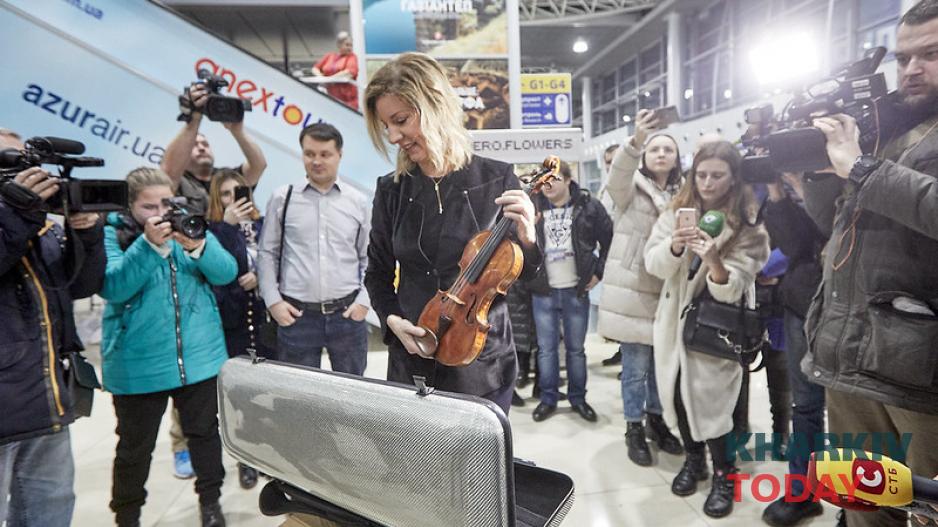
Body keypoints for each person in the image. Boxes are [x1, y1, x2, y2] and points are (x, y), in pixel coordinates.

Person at [803, 2, 938, 525]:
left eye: (930, 54)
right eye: (904, 57)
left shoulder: (876, 146)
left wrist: (861, 166)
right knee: (864, 510)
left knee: (925, 511)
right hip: (851, 357)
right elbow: (833, 226)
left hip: (920, 372)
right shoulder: (886, 128)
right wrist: (817, 171)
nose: (911, 69)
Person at [363, 52, 540, 414]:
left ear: (436, 105)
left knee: (475, 467)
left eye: (401, 120)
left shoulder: (498, 177)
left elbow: (528, 277)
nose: (394, 136)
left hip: (482, 361)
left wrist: (529, 239)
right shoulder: (391, 190)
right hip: (412, 359)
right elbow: (377, 274)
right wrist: (393, 321)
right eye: (387, 127)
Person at [100, 167, 237, 527]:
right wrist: (149, 246)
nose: (160, 213)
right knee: (134, 449)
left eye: (166, 202)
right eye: (148, 206)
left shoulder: (189, 226)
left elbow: (226, 273)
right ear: (130, 208)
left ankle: (211, 504)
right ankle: (127, 516)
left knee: (205, 435)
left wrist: (200, 247)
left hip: (200, 358)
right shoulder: (115, 233)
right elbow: (113, 287)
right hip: (138, 365)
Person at [644, 141, 769, 518]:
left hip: (717, 331)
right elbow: (654, 264)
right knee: (676, 395)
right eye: (701, 174)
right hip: (673, 323)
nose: (707, 183)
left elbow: (733, 289)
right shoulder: (675, 213)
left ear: (733, 179)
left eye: (717, 175)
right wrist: (676, 247)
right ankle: (693, 461)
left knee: (714, 406)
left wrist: (713, 258)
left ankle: (724, 474)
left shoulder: (748, 226)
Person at [0, 129, 105, 527]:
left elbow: (81, 285)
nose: (23, 174)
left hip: (46, 398)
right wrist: (15, 213)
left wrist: (87, 235)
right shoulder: (21, 218)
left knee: (50, 510)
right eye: (10, 164)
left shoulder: (39, 225)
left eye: (27, 164)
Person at [597, 110, 685, 466]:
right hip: (634, 288)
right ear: (645, 157)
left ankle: (657, 420)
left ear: (678, 158)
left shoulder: (686, 191)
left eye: (668, 149)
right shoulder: (630, 188)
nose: (662, 154)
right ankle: (634, 427)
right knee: (635, 368)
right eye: (655, 149)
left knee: (662, 367)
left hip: (669, 287)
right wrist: (635, 141)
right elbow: (617, 174)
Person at [257, 123, 371, 375]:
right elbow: (267, 254)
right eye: (309, 154)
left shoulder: (357, 201)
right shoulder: (282, 197)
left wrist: (364, 301)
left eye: (324, 154)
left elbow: (369, 258)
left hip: (347, 315)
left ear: (339, 155)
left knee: (352, 397)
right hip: (296, 316)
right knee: (299, 400)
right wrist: (273, 302)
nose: (316, 161)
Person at [760, 173, 827, 527]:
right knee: (806, 406)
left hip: (859, 302)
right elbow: (791, 244)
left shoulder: (857, 163)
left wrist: (807, 189)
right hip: (802, 303)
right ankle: (802, 491)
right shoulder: (790, 187)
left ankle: (859, 501)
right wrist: (778, 191)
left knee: (857, 409)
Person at [527, 161, 612, 423]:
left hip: (576, 289)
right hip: (543, 290)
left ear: (567, 179)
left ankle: (578, 399)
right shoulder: (533, 207)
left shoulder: (588, 205)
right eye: (544, 181)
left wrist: (599, 272)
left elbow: (609, 239)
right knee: (546, 350)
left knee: (576, 350)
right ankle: (548, 398)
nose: (548, 186)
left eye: (554, 179)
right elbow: (518, 243)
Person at [205, 169, 269, 490]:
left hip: (265, 318)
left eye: (239, 192)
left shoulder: (263, 224)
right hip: (232, 318)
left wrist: (262, 277)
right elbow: (219, 269)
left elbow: (278, 260)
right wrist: (227, 226)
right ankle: (246, 458)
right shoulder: (213, 231)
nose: (234, 200)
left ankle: (270, 453)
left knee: (269, 393)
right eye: (226, 194)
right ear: (218, 199)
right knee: (239, 395)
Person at [161, 83, 268, 214]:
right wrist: (195, 117)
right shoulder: (179, 181)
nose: (201, 148)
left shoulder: (226, 178)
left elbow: (258, 165)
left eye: (205, 144)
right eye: (194, 145)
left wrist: (237, 130)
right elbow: (169, 171)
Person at [312, 31, 360, 110]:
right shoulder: (330, 56)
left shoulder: (352, 57)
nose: (350, 48)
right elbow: (315, 68)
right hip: (332, 98)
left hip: (348, 101)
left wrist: (329, 79)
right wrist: (321, 77)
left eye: (351, 45)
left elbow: (349, 72)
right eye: (347, 45)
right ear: (339, 45)